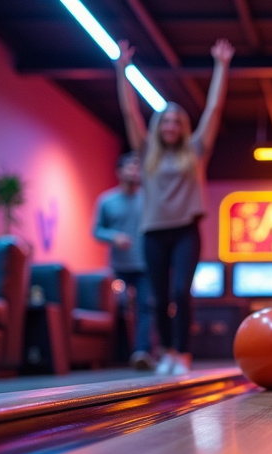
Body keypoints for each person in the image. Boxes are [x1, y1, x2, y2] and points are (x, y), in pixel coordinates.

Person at [115, 38, 234, 375]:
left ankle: (182, 352)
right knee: (158, 296)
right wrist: (121, 70)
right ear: (158, 127)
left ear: (182, 128)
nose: (170, 126)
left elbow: (212, 112)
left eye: (176, 122)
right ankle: (165, 350)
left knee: (181, 291)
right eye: (164, 121)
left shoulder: (195, 150)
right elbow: (129, 112)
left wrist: (221, 67)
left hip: (185, 230)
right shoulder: (146, 151)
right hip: (153, 232)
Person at [92, 151, 154, 370]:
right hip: (118, 266)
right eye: (131, 166)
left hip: (145, 265)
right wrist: (114, 236)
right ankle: (115, 356)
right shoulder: (106, 201)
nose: (135, 170)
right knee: (117, 308)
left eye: (138, 166)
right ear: (119, 172)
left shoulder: (149, 198)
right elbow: (96, 230)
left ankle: (141, 352)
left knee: (146, 308)